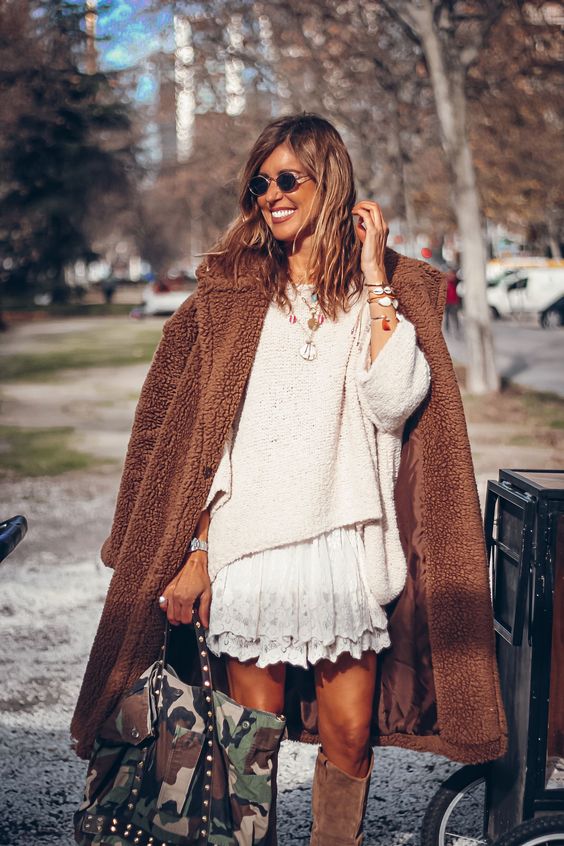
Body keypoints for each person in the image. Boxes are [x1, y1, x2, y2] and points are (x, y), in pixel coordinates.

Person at [71, 114, 506, 845]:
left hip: (343, 547)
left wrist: (375, 282)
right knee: (248, 742)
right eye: (260, 182)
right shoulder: (232, 291)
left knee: (349, 736)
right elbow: (200, 441)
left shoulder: (389, 290)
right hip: (250, 548)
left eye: (287, 179)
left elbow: (395, 401)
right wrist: (198, 552)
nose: (271, 194)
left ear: (328, 183)